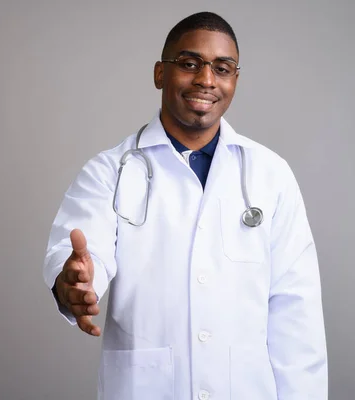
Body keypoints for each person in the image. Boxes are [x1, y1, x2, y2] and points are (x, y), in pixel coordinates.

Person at [42, 11, 327, 400]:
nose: (206, 79)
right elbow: (80, 254)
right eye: (190, 63)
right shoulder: (110, 170)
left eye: (222, 68)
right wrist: (74, 281)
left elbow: (298, 314)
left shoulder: (271, 175)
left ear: (234, 80)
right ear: (160, 73)